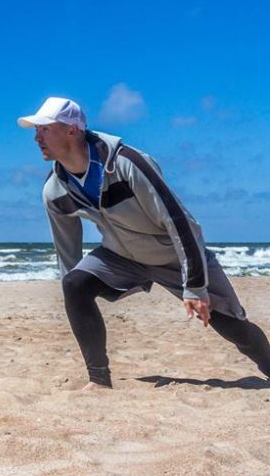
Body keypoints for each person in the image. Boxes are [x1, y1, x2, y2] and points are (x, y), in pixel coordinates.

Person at [18, 96, 270, 389]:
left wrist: (196, 286)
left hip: (174, 256)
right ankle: (99, 380)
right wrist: (73, 292)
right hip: (121, 258)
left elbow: (179, 223)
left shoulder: (127, 164)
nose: (36, 137)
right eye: (36, 131)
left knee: (234, 328)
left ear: (72, 130)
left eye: (44, 129)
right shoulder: (54, 190)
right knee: (74, 284)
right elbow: (67, 253)